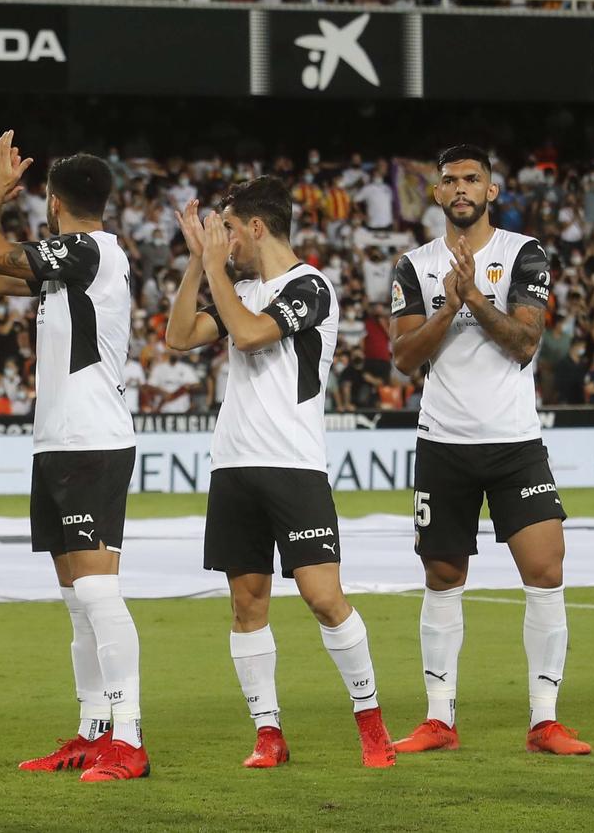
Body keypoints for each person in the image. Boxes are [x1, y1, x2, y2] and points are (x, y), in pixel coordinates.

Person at [165, 177, 396, 771]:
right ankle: (268, 733)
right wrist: (199, 263)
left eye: (228, 229)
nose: (225, 240)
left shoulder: (309, 286)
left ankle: (370, 722)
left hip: (294, 465)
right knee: (247, 605)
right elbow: (180, 335)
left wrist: (214, 266)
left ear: (257, 227)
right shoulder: (237, 283)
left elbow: (246, 335)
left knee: (324, 598)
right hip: (234, 465)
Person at [387, 146, 591, 757]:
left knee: (546, 571)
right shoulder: (413, 265)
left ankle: (545, 719)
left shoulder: (522, 253)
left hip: (514, 444)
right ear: (437, 193)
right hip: (443, 443)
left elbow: (526, 342)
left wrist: (473, 297)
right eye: (448, 179)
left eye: (472, 178)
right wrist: (449, 304)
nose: (460, 188)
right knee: (443, 576)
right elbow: (402, 357)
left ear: (492, 189)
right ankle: (438, 718)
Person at [0, 132, 146, 782]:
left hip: (92, 440)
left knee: (98, 592)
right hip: (62, 440)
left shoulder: (88, 250)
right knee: (77, 600)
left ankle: (128, 735)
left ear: (52, 201)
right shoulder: (74, 263)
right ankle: (92, 729)